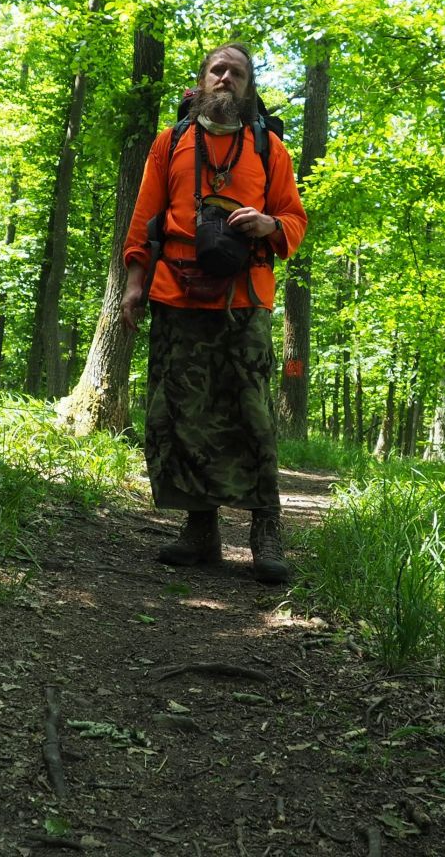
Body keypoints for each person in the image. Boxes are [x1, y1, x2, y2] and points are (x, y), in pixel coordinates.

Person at [119, 42, 309, 584]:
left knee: (251, 413)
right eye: (217, 70)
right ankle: (199, 531)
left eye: (238, 73)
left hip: (243, 299)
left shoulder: (270, 149)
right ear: (202, 81)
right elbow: (145, 219)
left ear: (248, 89)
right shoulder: (170, 142)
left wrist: (271, 225)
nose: (226, 78)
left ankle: (264, 530)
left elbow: (294, 217)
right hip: (175, 296)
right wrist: (135, 285)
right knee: (181, 415)